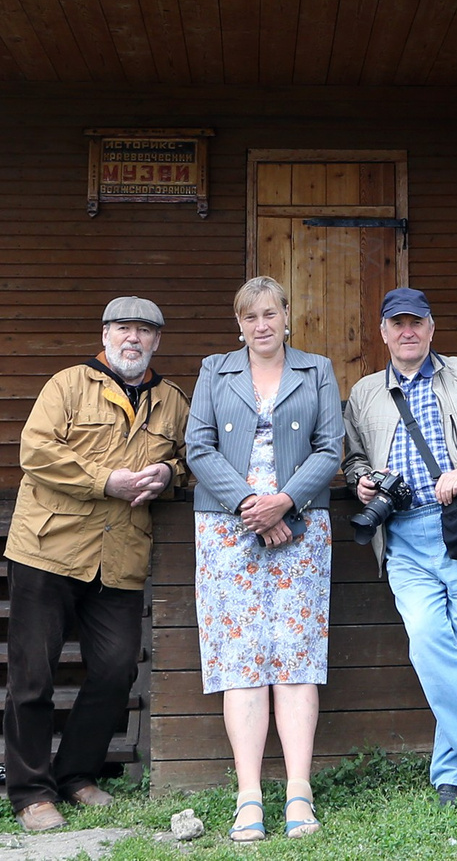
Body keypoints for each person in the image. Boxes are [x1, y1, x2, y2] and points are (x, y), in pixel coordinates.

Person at [4, 297, 189, 834]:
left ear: (157, 340)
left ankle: (75, 774)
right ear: (105, 334)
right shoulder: (67, 384)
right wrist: (105, 481)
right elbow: (36, 451)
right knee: (32, 677)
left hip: (120, 557)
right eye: (123, 328)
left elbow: (186, 458)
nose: (133, 338)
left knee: (116, 668)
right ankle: (31, 792)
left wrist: (168, 474)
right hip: (47, 548)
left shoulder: (173, 400)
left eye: (145, 331)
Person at [340, 288, 457, 810]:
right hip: (402, 535)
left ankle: (453, 774)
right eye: (397, 323)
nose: (408, 331)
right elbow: (353, 458)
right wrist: (362, 482)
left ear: (431, 327)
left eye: (416, 322)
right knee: (426, 641)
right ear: (383, 332)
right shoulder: (365, 392)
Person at [185, 277, 343, 843]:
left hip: (301, 525)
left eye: (270, 314)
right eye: (250, 316)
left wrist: (285, 502)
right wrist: (251, 504)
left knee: (297, 656)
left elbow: (331, 447)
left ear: (286, 316)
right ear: (239, 323)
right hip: (227, 526)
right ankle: (248, 796)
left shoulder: (317, 369)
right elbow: (198, 446)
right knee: (241, 660)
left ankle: (299, 792)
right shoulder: (214, 370)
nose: (261, 325)